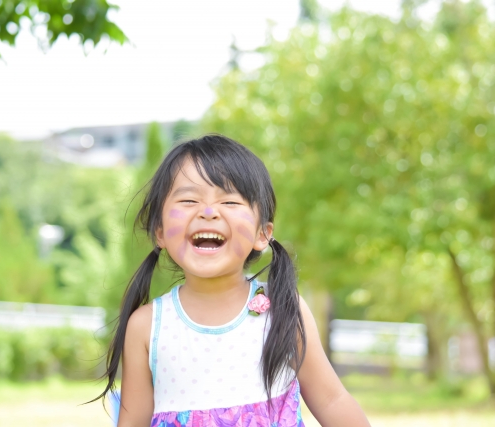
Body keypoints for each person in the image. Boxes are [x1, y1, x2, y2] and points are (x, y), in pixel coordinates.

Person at [97, 135, 370, 426]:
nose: (208, 212)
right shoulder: (147, 326)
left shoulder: (283, 310)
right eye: (189, 200)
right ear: (160, 232)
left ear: (261, 234)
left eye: (229, 201)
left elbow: (332, 400)